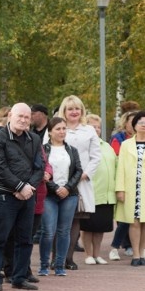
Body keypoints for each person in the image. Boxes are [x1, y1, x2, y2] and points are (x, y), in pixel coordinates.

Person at [0, 103, 44, 291]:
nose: (23, 120)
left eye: (27, 117)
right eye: (20, 116)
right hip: (6, 195)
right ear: (10, 115)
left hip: (28, 196)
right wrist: (19, 186)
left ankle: (19, 277)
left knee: (25, 238)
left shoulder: (34, 139)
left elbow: (39, 167)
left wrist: (29, 188)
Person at [49, 96, 100, 270]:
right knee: (55, 221)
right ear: (64, 110)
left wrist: (85, 174)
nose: (74, 112)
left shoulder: (88, 130)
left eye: (77, 108)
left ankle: (68, 258)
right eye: (70, 109)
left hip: (80, 181)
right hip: (57, 183)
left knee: (73, 220)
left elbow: (96, 156)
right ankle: (55, 258)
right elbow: (45, 152)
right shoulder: (56, 126)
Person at [38, 117, 83, 276]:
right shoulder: (43, 149)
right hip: (49, 195)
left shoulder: (72, 150)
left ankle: (59, 265)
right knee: (48, 231)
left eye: (64, 128)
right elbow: (41, 172)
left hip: (69, 195)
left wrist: (67, 188)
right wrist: (55, 187)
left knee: (64, 231)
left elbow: (78, 170)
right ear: (50, 131)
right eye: (58, 129)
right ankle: (44, 265)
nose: (62, 132)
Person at [79, 114, 117, 265]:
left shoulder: (106, 146)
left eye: (98, 127)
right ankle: (88, 254)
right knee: (88, 226)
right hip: (91, 191)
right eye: (92, 126)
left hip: (107, 194)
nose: (96, 129)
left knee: (100, 226)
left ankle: (97, 253)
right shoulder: (85, 146)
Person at [115, 111, 145, 265]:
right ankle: (135, 255)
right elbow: (120, 168)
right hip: (131, 188)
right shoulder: (126, 145)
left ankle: (142, 253)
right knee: (133, 221)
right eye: (141, 122)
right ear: (134, 125)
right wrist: (119, 189)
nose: (144, 125)